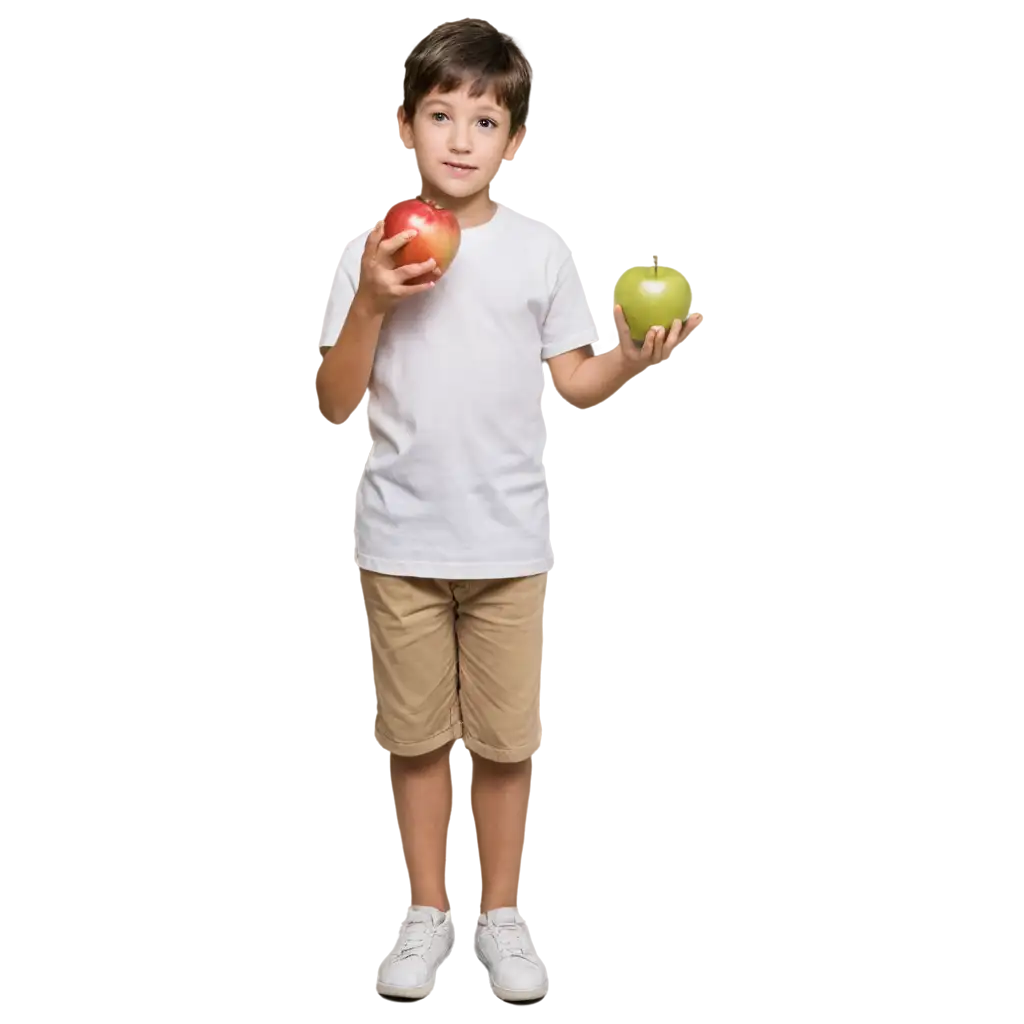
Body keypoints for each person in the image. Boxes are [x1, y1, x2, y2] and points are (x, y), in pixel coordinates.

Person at [311, 17, 700, 1003]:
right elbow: (333, 403)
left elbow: (574, 379)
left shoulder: (539, 252)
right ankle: (425, 911)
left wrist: (628, 355)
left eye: (483, 119)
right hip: (400, 539)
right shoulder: (366, 251)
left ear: (513, 140)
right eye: (440, 113)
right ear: (402, 124)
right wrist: (370, 301)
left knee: (503, 743)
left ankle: (505, 914)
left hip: (507, 542)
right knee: (414, 739)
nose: (459, 137)